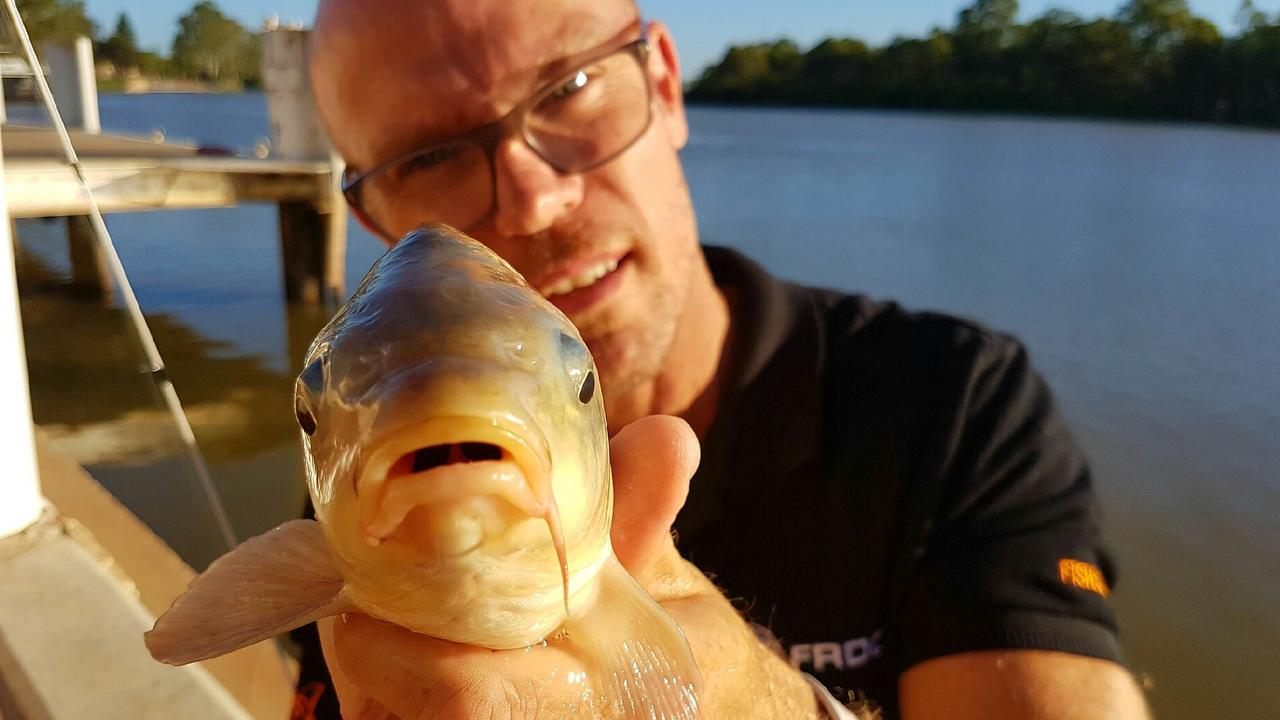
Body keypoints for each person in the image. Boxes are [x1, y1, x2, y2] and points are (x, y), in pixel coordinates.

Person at [302, 0, 1152, 717]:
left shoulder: (957, 405)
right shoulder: (380, 455)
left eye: (570, 87)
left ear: (665, 84)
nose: (533, 200)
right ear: (377, 219)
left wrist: (754, 703)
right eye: (429, 156)